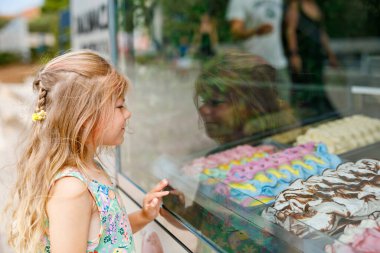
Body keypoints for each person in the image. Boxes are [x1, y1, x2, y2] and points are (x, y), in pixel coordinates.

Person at [3, 50, 169, 253]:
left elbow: (111, 236)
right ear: (86, 119)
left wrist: (144, 216)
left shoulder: (91, 170)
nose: (128, 113)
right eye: (119, 106)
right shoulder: (72, 189)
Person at [163, 53, 298, 252]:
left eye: (216, 103)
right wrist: (177, 211)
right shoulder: (215, 161)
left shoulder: (281, 170)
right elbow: (204, 220)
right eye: (203, 101)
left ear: (251, 107)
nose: (204, 110)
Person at [226, 0, 290, 103]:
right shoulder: (238, 1)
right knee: (258, 111)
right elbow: (235, 31)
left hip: (278, 63)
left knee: (284, 109)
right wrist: (255, 31)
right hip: (253, 66)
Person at [285, 0, 339, 119]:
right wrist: (294, 54)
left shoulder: (316, 6)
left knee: (318, 86)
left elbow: (321, 32)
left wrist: (330, 53)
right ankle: (304, 118)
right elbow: (291, 31)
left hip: (316, 55)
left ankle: (321, 116)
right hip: (303, 55)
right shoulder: (296, 5)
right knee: (304, 88)